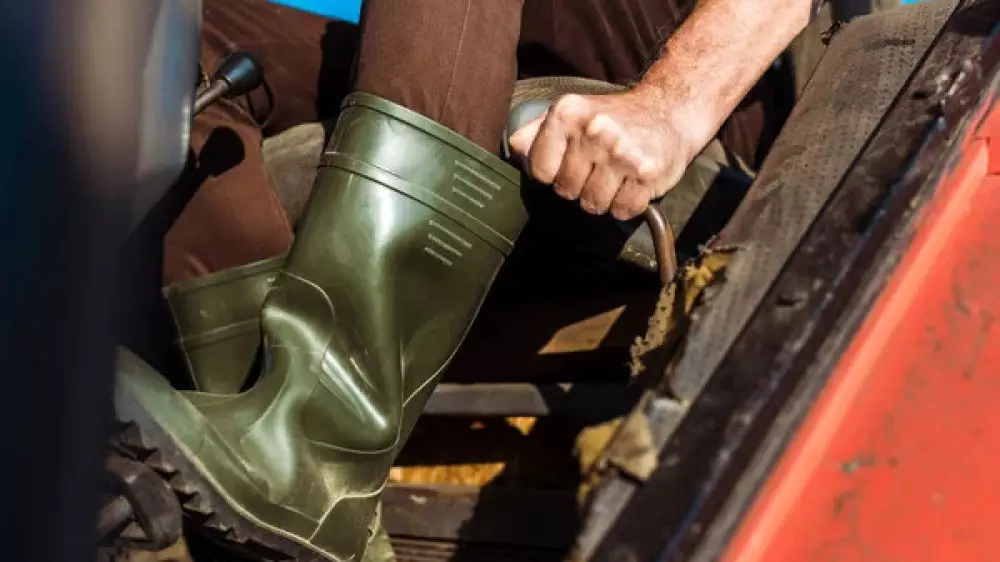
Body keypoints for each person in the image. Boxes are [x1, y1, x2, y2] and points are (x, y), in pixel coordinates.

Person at [118, 1, 821, 561]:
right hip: (470, 74)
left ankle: (323, 437)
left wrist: (668, 111)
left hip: (656, 113)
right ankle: (272, 472)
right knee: (160, 34)